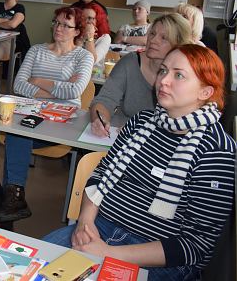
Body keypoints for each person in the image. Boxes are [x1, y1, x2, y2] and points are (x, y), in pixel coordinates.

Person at [44, 45, 235, 280]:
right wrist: (84, 222)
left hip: (158, 259)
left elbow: (195, 244)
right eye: (163, 71)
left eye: (178, 75)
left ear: (205, 92)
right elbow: (101, 175)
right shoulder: (141, 122)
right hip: (100, 228)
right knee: (34, 266)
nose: (163, 80)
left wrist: (109, 253)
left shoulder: (217, 151)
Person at [1, 6, 93, 215]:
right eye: (57, 23)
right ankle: (12, 199)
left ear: (77, 31)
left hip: (63, 122)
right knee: (18, 132)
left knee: (18, 136)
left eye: (65, 25)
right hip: (33, 114)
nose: (58, 28)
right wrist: (59, 91)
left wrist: (38, 81)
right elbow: (19, 85)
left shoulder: (83, 57)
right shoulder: (36, 50)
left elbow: (76, 90)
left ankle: (11, 199)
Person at [90, 13, 192, 137]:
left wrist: (142, 129)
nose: (153, 40)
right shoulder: (130, 62)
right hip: (119, 136)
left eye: (163, 38)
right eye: (152, 34)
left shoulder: (186, 77)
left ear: (178, 45)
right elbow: (105, 100)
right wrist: (100, 120)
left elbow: (184, 122)